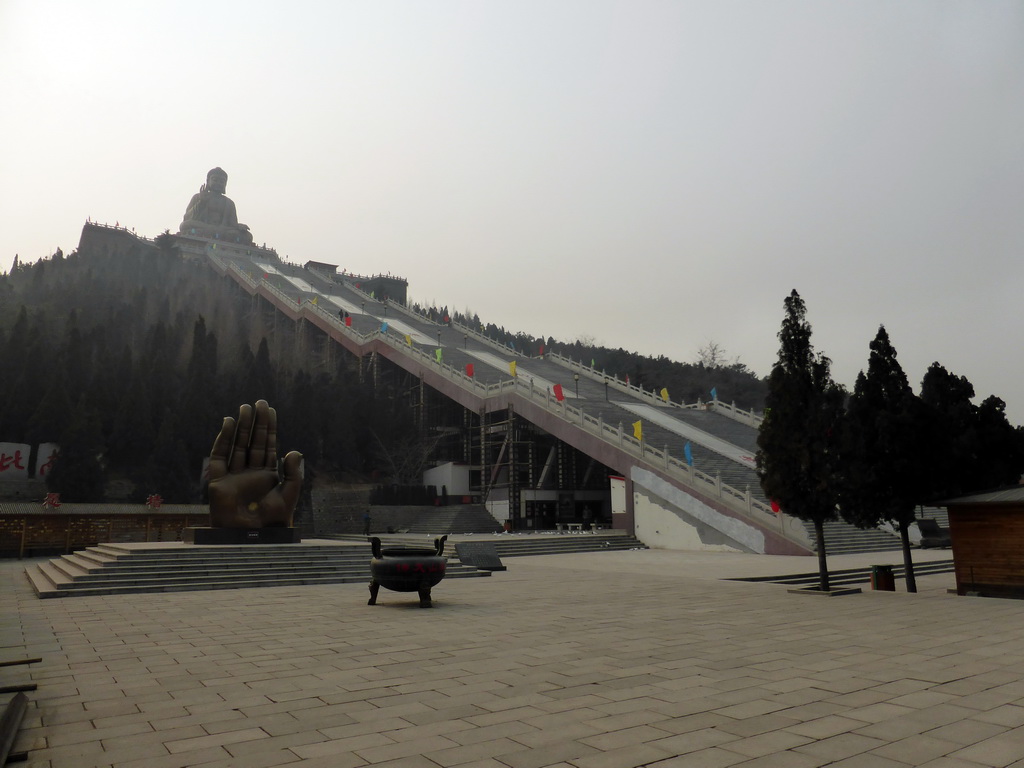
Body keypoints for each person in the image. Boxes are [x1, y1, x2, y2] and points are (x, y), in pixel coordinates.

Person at [179, 168, 253, 244]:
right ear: (208, 181)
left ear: (225, 184)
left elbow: (232, 224)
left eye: (222, 181)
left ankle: (213, 233)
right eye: (215, 180)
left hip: (222, 230)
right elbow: (186, 218)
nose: (218, 183)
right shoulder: (198, 197)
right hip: (205, 227)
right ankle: (214, 233)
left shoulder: (229, 203)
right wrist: (201, 202)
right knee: (184, 225)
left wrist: (238, 226)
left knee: (247, 236)